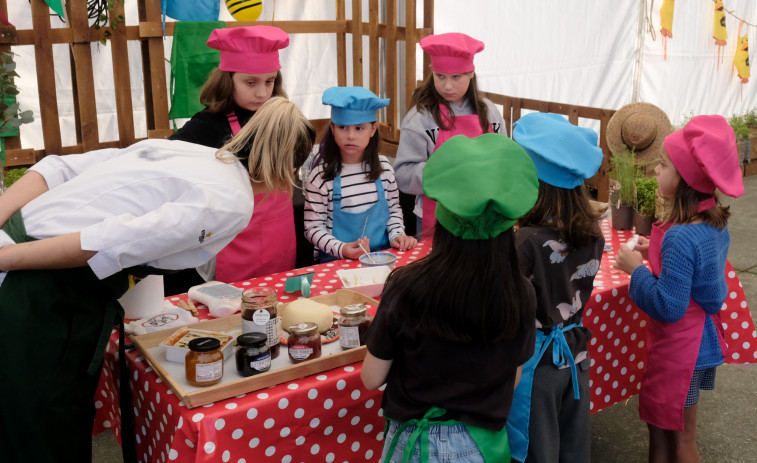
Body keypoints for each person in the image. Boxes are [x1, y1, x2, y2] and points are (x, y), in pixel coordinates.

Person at [0, 97, 315, 462]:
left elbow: (56, 168)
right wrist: (6, 258)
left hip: (25, 259)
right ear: (287, 173)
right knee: (38, 432)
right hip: (35, 294)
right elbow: (106, 242)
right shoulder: (231, 200)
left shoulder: (178, 149)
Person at [362, 133, 539, 462]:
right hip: (482, 446)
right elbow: (512, 380)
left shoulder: (406, 285)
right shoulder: (520, 292)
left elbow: (372, 378)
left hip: (414, 445)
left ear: (443, 218)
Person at [614, 115, 744, 463]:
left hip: (678, 355)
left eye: (662, 164)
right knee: (685, 438)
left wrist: (636, 271)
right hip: (702, 346)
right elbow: (697, 274)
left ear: (685, 178)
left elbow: (668, 305)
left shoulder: (680, 236)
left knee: (663, 440)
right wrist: (652, 251)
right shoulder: (712, 222)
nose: (656, 170)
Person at [506, 113, 606, 463]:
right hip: (576, 357)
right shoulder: (593, 232)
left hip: (537, 363)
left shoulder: (527, 242)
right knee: (572, 445)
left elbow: (509, 307)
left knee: (538, 449)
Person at [169, 25, 298, 289]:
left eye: (270, 81)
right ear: (228, 80)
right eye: (250, 83)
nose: (262, 93)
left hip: (280, 237)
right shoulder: (207, 125)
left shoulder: (282, 118)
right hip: (235, 246)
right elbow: (169, 160)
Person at [394, 32, 507, 238]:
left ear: (471, 74)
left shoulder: (490, 113)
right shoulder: (419, 119)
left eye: (456, 77)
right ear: (432, 73)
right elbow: (403, 174)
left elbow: (505, 162)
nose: (447, 86)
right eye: (440, 76)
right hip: (436, 219)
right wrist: (446, 172)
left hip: (484, 215)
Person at [304, 86, 416, 262]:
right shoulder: (320, 177)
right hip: (335, 262)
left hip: (381, 259)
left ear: (373, 129)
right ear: (332, 129)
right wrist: (342, 249)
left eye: (359, 128)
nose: (350, 136)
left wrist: (397, 235)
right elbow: (313, 228)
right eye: (342, 127)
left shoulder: (385, 169)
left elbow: (393, 210)